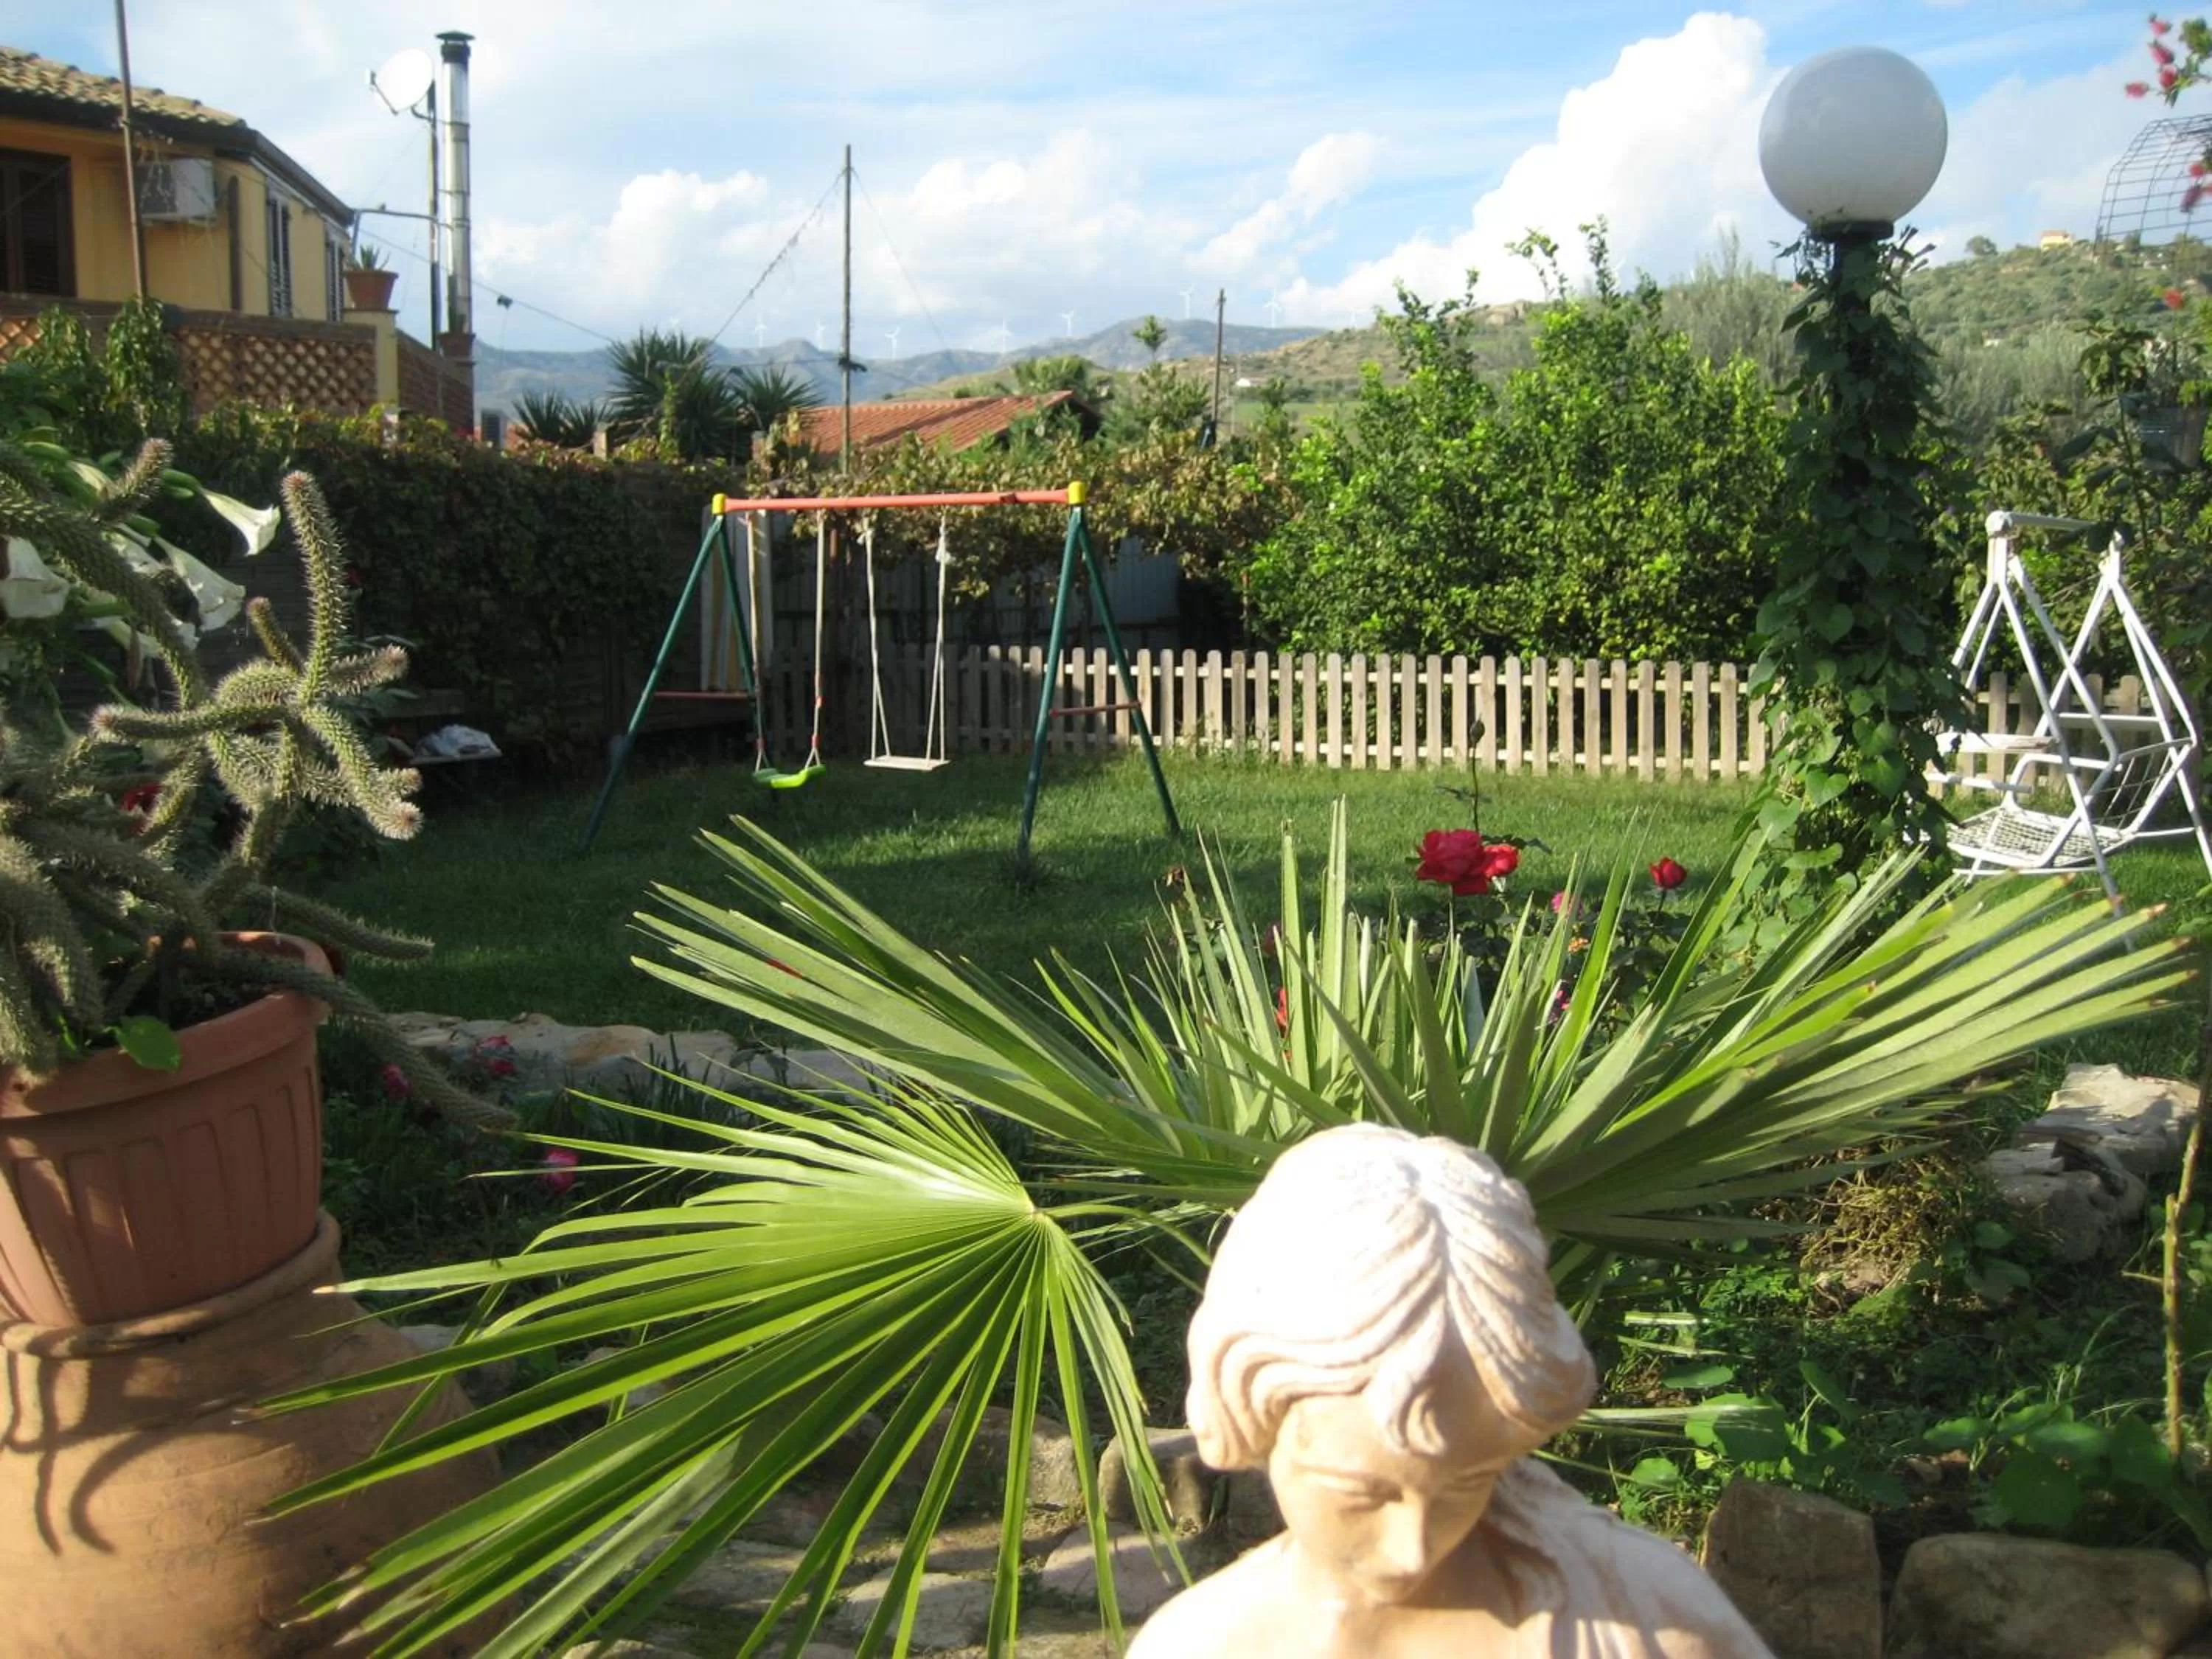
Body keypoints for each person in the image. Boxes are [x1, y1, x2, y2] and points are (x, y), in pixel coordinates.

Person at [1128, 1123, 1773, 1658]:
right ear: (1254, 1415)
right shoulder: (1201, 1644)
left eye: (1468, 1481)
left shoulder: (1650, 1622)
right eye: (1362, 1492)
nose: (1411, 1550)